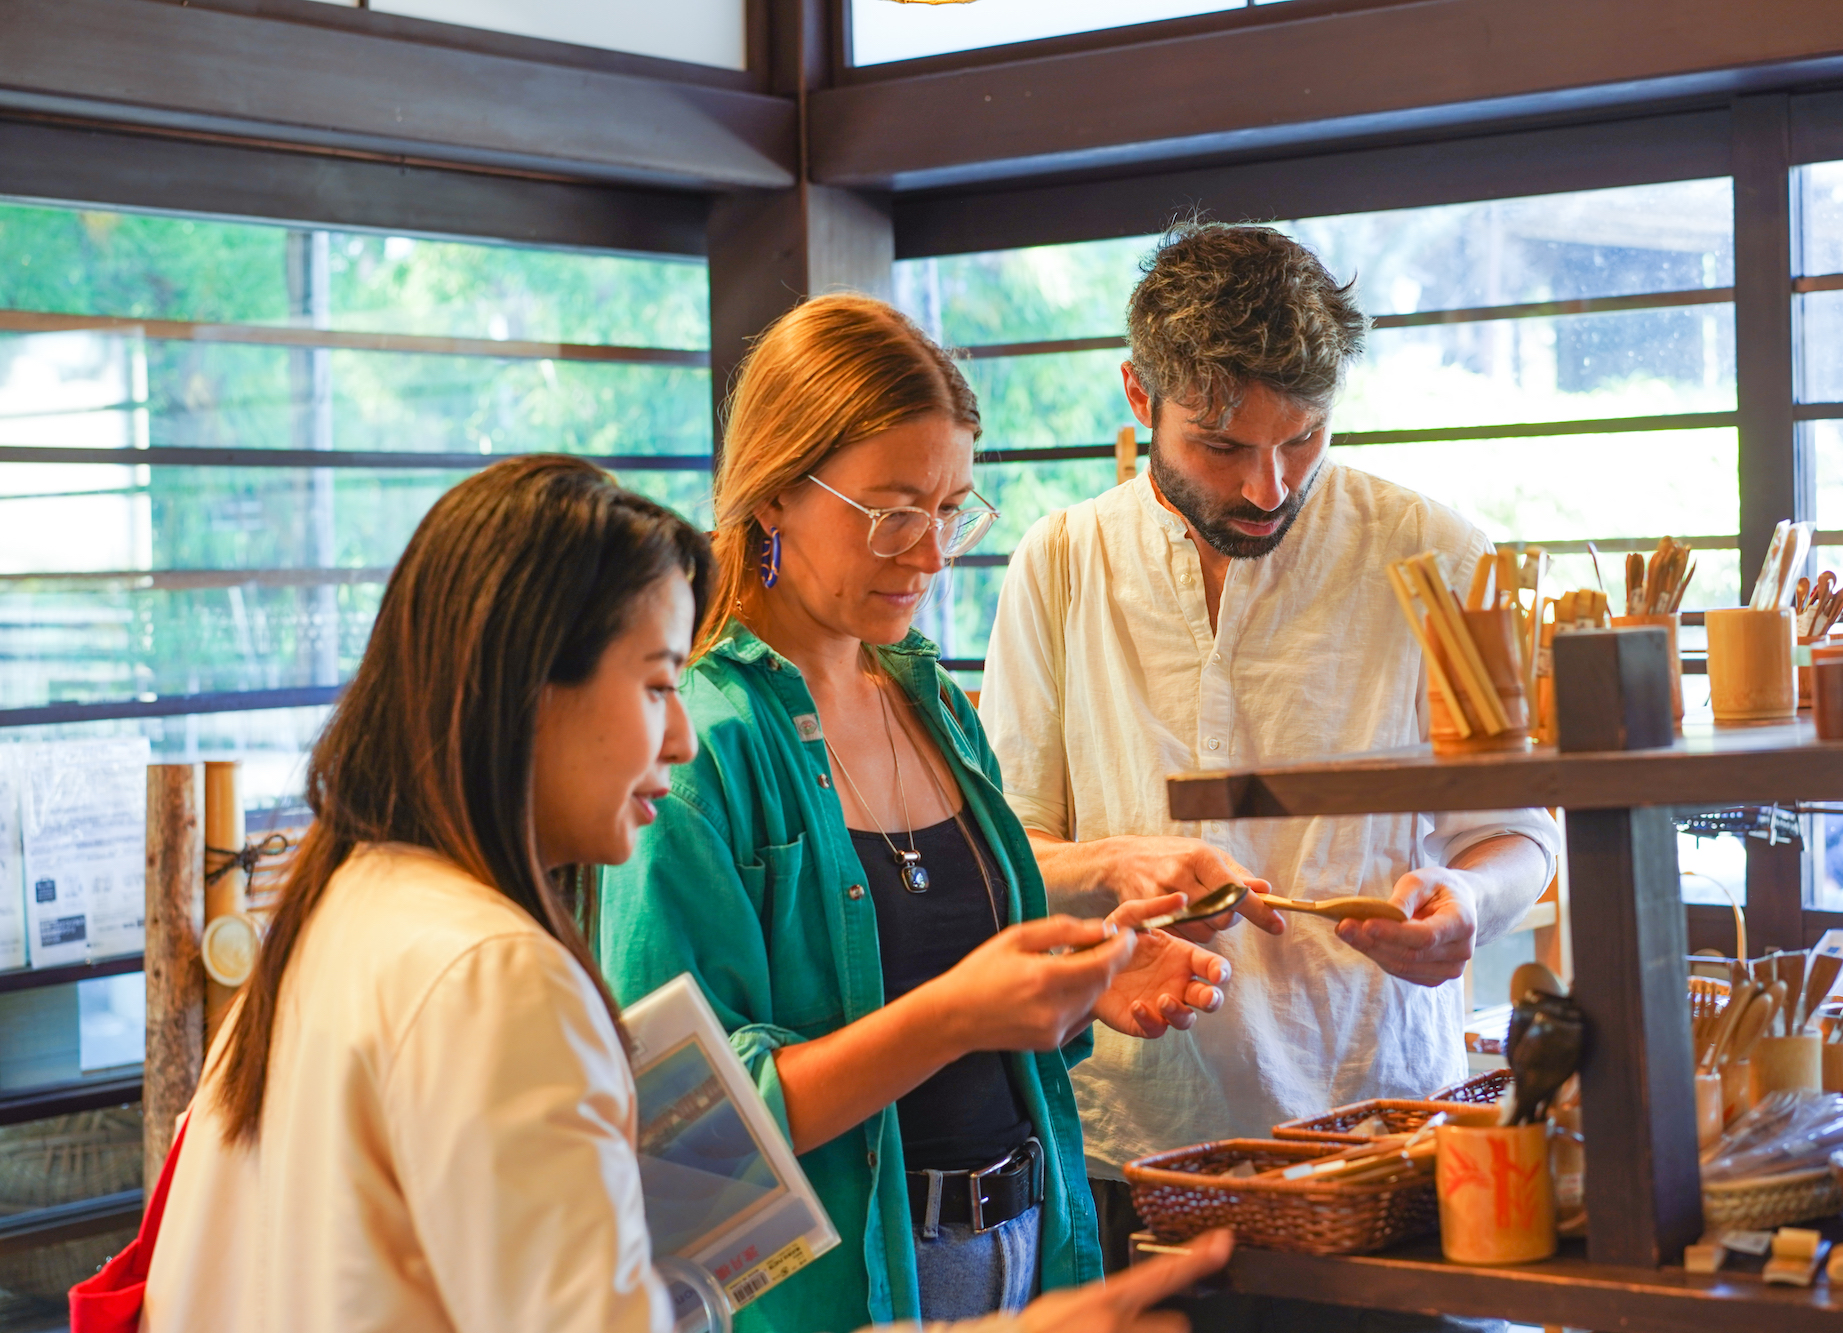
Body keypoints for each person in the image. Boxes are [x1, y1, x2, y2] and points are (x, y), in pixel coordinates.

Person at [140, 453, 1230, 1333]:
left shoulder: (352, 902)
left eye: (952, 508)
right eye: (658, 682)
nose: (674, 734)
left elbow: (642, 1216)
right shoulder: (494, 972)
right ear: (528, 687)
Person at [597, 295, 1232, 1333]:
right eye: (892, 511)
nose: (933, 554)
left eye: (951, 510)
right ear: (773, 497)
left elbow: (961, 976)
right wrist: (960, 1015)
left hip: (1030, 1241)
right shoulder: (700, 743)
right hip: (848, 1292)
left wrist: (1082, 983)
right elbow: (681, 1143)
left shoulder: (930, 699)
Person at [978, 225, 1562, 1281]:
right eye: (1223, 447)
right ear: (1136, 393)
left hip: (1380, 1128)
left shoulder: (1437, 555)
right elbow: (1010, 847)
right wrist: (1112, 865)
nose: (1266, 487)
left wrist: (1466, 906)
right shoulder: (1058, 562)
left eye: (1302, 440)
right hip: (1131, 1142)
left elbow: (1520, 830)